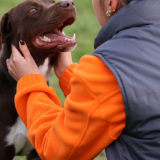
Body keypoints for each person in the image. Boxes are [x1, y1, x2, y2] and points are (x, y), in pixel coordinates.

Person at [6, 0, 160, 159]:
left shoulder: (111, 66)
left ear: (111, 3)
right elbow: (118, 101)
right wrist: (69, 75)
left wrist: (30, 82)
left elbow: (55, 151)